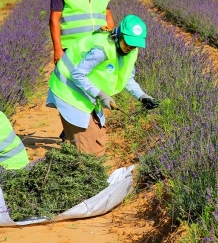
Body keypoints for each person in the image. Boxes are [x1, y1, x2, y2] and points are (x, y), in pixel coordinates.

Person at [46, 15, 159, 157]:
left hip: (87, 92)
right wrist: (101, 95)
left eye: (135, 45)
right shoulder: (102, 48)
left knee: (98, 140)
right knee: (86, 148)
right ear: (119, 34)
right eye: (128, 42)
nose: (130, 47)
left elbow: (127, 78)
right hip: (69, 89)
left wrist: (142, 96)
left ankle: (93, 174)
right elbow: (77, 75)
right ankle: (79, 175)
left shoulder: (130, 51)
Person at [50, 0, 114, 142]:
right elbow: (54, 20)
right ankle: (72, 129)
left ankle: (80, 128)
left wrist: (112, 39)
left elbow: (108, 15)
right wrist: (57, 49)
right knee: (73, 91)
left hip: (98, 49)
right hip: (73, 49)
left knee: (94, 87)